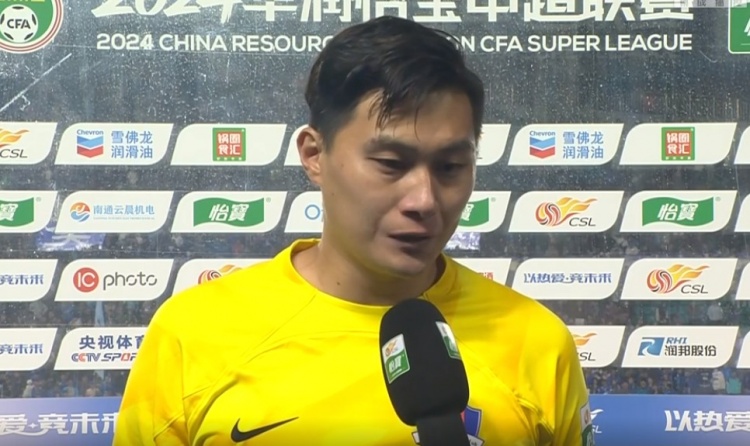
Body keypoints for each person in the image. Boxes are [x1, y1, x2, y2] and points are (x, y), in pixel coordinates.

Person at [113, 16, 592, 446]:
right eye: (390, 164)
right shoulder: (192, 334)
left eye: (450, 167)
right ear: (314, 155)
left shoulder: (536, 342)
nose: (424, 200)